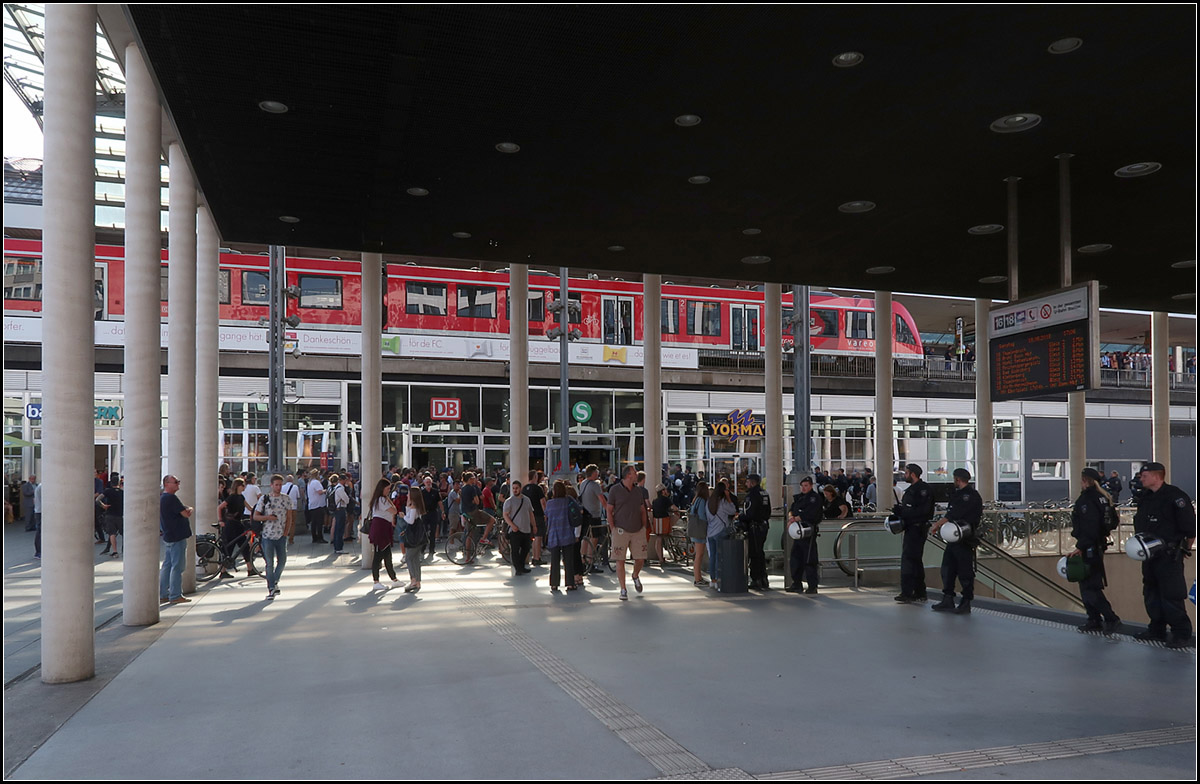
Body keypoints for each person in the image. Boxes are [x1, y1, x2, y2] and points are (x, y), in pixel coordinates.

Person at [1131, 462, 1195, 647]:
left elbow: (1190, 529)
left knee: (1171, 594)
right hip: (1149, 555)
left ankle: (1181, 634)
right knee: (1151, 592)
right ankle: (1156, 629)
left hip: (1169, 555)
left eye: (1144, 475)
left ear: (1157, 476)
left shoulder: (1175, 497)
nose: (1141, 478)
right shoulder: (1145, 497)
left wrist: (1184, 550)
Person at [1068, 468, 1121, 634]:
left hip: (1089, 547)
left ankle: (1109, 618)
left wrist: (1080, 547)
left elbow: (1089, 527)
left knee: (1089, 587)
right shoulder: (1104, 498)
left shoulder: (1087, 500)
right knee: (1090, 585)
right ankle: (1094, 619)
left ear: (1085, 480)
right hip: (1098, 545)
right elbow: (1112, 522)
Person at [930, 468, 982, 614]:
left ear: (958, 479)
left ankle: (966, 601)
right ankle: (948, 598)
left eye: (954, 479)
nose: (953, 482)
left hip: (964, 538)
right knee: (948, 568)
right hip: (954, 537)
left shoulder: (969, 496)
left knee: (965, 571)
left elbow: (954, 514)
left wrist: (937, 525)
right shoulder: (960, 494)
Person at [893, 463, 935, 603]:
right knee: (915, 560)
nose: (904, 475)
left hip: (917, 528)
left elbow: (923, 511)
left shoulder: (923, 490)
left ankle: (908, 592)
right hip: (911, 528)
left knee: (909, 560)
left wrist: (904, 512)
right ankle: (918, 592)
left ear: (912, 474)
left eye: (906, 473)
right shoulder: (912, 490)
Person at [605, 465, 649, 600]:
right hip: (620, 529)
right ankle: (623, 589)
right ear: (628, 475)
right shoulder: (615, 490)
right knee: (620, 560)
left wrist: (644, 525)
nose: (637, 474)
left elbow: (642, 509)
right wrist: (613, 528)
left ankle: (635, 575)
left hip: (637, 529)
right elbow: (609, 509)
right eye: (634, 472)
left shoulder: (638, 491)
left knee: (640, 558)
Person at [252, 474, 293, 600]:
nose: (279, 487)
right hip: (267, 535)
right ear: (271, 485)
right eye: (276, 485)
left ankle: (275, 581)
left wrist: (287, 532)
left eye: (280, 485)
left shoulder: (286, 499)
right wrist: (268, 517)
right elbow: (255, 516)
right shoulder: (264, 499)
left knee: (282, 561)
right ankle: (271, 587)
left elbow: (289, 517)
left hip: (281, 535)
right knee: (269, 563)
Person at [158, 475, 194, 605]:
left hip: (169, 536)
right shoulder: (171, 498)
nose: (178, 484)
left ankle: (163, 594)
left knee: (167, 565)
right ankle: (175, 595)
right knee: (177, 566)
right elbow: (185, 513)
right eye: (175, 482)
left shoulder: (163, 498)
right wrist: (189, 509)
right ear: (167, 483)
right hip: (177, 536)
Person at [788, 477, 823, 594]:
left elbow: (811, 514)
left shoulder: (814, 498)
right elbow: (792, 509)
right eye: (802, 486)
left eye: (806, 486)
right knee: (795, 559)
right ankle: (796, 583)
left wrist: (798, 517)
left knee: (809, 560)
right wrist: (791, 517)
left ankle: (812, 586)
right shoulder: (799, 498)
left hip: (808, 532)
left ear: (811, 486)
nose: (803, 488)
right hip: (798, 533)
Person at [367, 478, 403, 591]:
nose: (388, 491)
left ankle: (394, 579)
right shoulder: (381, 500)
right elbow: (394, 511)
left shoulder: (382, 499)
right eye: (387, 489)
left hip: (383, 528)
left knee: (387, 555)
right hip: (380, 529)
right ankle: (376, 581)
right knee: (378, 556)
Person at [544, 480, 578, 592]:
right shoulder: (568, 501)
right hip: (567, 533)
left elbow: (547, 518)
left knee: (554, 561)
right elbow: (577, 511)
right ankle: (570, 584)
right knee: (568, 560)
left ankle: (554, 584)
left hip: (554, 534)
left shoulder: (549, 503)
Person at [742, 473, 772, 590]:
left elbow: (749, 512)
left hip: (754, 527)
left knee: (754, 553)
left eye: (747, 481)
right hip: (764, 525)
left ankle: (756, 579)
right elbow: (768, 510)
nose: (746, 484)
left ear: (752, 482)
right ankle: (763, 578)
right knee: (760, 552)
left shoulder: (752, 495)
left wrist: (740, 517)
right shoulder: (764, 493)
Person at [706, 479, 737, 590]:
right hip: (720, 531)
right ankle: (719, 579)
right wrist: (728, 498)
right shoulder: (723, 502)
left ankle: (713, 579)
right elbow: (733, 510)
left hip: (710, 532)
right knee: (720, 557)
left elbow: (707, 517)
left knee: (712, 556)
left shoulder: (709, 502)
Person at [578, 465, 607, 574]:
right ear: (593, 473)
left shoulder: (583, 483)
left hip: (585, 514)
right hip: (594, 515)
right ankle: (590, 561)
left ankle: (582, 560)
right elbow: (602, 500)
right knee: (594, 538)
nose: (598, 473)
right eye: (597, 471)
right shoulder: (595, 485)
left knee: (585, 538)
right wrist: (609, 511)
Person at [503, 479, 535, 575]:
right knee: (515, 550)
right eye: (513, 488)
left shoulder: (526, 500)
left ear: (520, 488)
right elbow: (505, 515)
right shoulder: (509, 501)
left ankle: (521, 566)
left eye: (517, 488)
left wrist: (534, 525)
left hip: (526, 529)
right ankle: (518, 568)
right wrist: (512, 526)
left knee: (526, 548)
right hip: (515, 530)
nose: (515, 490)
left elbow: (531, 513)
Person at [400, 488, 427, 592]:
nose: (407, 495)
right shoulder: (416, 506)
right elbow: (411, 516)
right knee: (415, 559)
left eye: (409, 494)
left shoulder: (414, 507)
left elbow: (410, 521)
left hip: (413, 537)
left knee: (409, 558)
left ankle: (413, 580)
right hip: (418, 536)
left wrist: (403, 516)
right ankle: (418, 581)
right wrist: (408, 504)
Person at [649, 483, 678, 568]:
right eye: (665, 489)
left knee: (658, 538)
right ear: (663, 491)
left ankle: (660, 558)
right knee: (661, 537)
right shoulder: (666, 499)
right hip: (664, 520)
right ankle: (662, 559)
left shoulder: (654, 501)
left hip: (656, 521)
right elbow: (674, 508)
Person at [688, 481, 710, 586]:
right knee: (699, 555)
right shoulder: (702, 500)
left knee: (698, 554)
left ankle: (698, 577)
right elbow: (702, 515)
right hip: (700, 530)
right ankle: (697, 578)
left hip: (695, 529)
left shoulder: (695, 500)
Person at [523, 470, 547, 566]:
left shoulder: (524, 489)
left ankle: (529, 557)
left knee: (531, 536)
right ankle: (537, 557)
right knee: (538, 536)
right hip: (537, 514)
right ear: (535, 477)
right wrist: (546, 513)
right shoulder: (538, 488)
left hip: (527, 515)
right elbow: (543, 502)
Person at [99, 472, 124, 558]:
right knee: (123, 533)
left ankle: (115, 551)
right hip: (120, 515)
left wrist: (103, 505)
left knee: (112, 533)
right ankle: (125, 548)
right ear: (118, 483)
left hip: (110, 514)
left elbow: (98, 499)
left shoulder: (108, 491)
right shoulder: (122, 492)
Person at [328, 473, 350, 554]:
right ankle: (339, 547)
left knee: (338, 528)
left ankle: (337, 547)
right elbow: (347, 500)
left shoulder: (334, 488)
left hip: (336, 509)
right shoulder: (340, 488)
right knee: (340, 529)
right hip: (340, 509)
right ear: (343, 480)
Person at [306, 469, 328, 543]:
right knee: (319, 522)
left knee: (314, 522)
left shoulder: (310, 483)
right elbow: (320, 492)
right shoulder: (316, 482)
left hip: (312, 504)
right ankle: (320, 537)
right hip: (318, 504)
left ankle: (314, 537)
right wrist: (326, 490)